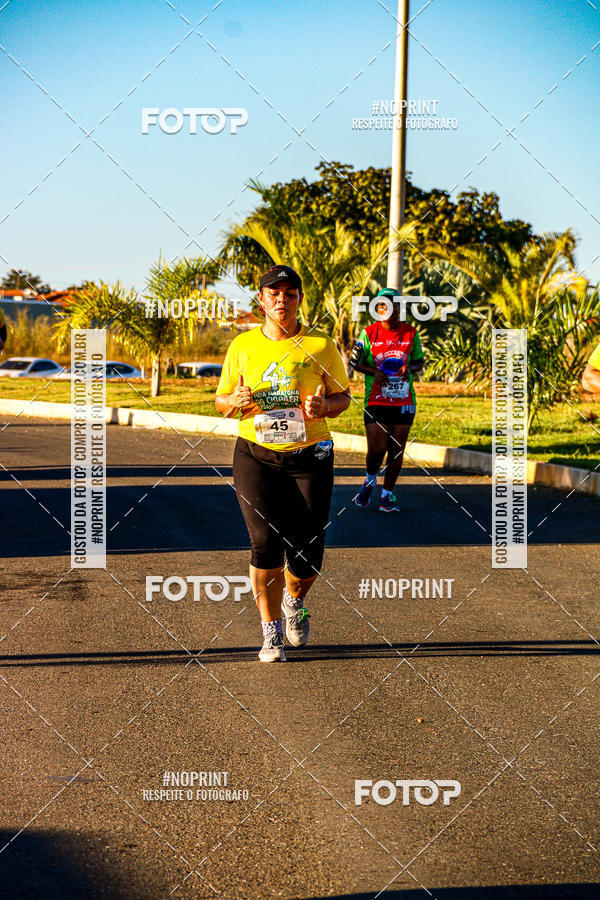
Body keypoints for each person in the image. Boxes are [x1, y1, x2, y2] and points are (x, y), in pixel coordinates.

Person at [215, 265, 351, 662]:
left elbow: (343, 398)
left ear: (299, 300)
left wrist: (326, 405)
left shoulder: (321, 346)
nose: (281, 299)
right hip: (256, 455)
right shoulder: (242, 347)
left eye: (290, 293)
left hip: (311, 455)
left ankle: (295, 601)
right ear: (261, 299)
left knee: (308, 553)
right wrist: (234, 404)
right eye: (273, 293)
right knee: (264, 543)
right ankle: (270, 630)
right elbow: (222, 402)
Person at [350, 288, 424, 512]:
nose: (387, 310)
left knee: (396, 450)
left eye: (392, 305)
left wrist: (408, 367)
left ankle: (387, 495)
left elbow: (419, 361)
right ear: (377, 309)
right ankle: (370, 479)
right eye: (382, 305)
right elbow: (355, 362)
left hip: (403, 401)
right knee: (376, 448)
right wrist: (374, 372)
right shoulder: (368, 333)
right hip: (376, 400)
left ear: (400, 309)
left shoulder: (411, 333)